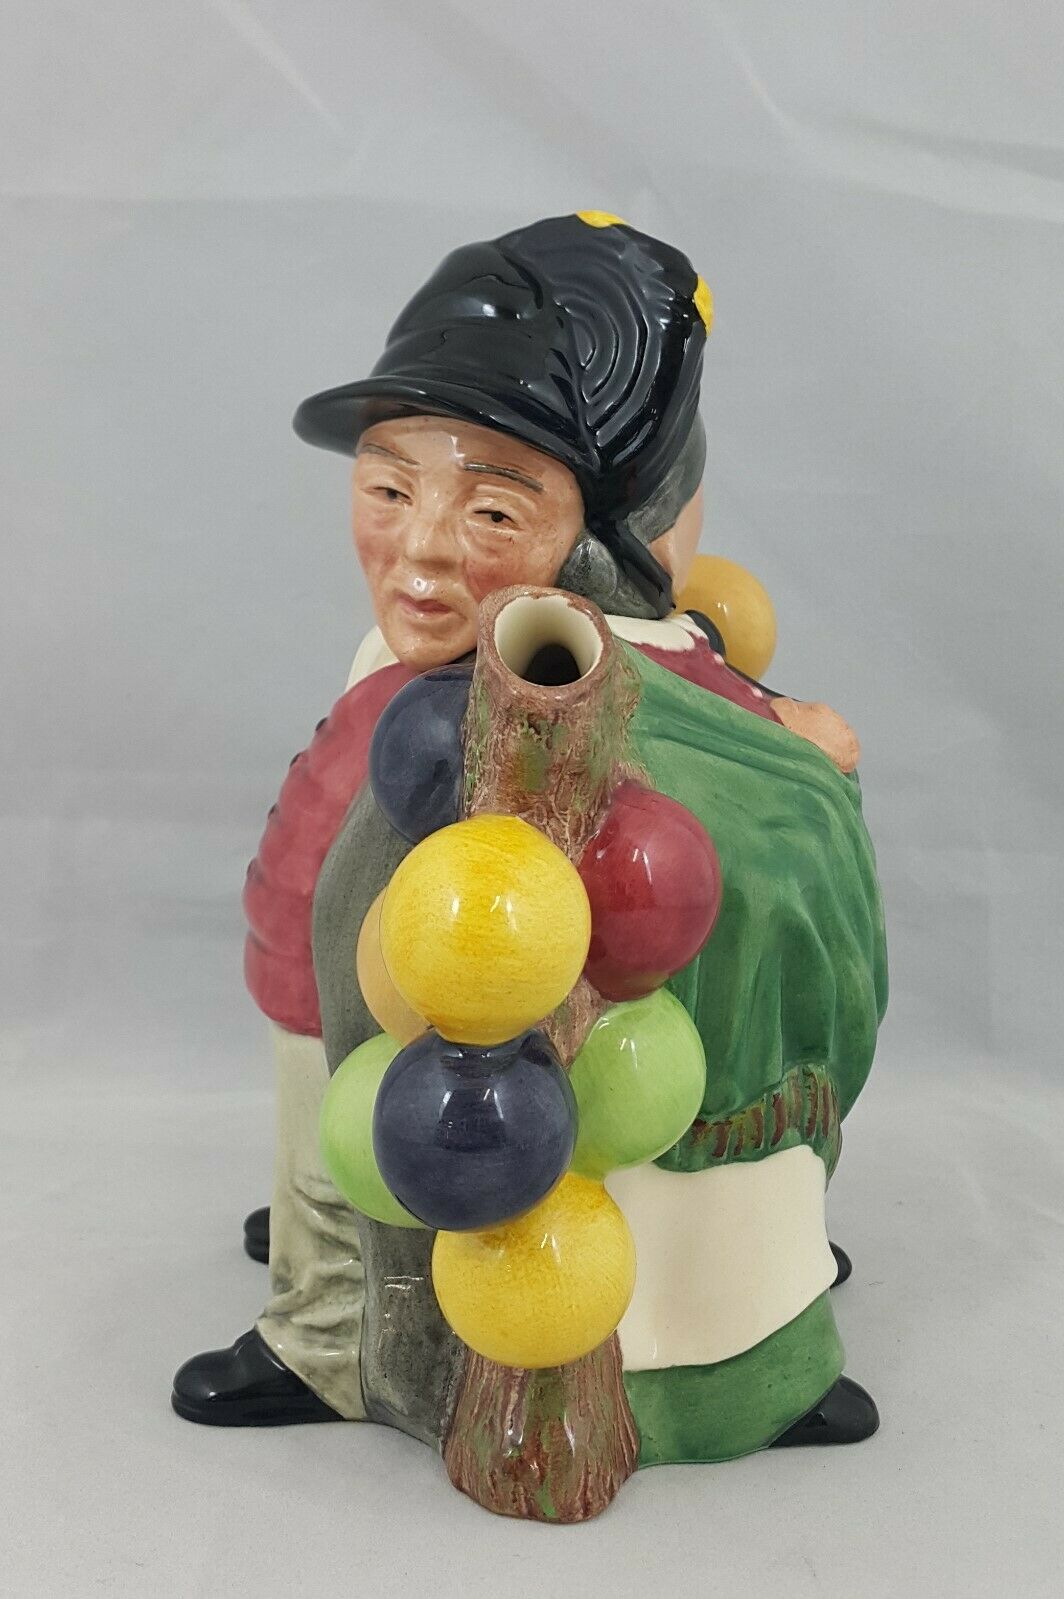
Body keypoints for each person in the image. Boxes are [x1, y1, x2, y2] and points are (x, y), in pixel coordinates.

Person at [172, 213, 886, 1461]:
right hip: (345, 1020)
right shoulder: (406, 661)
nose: (420, 548)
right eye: (388, 488)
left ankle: (728, 1345)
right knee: (331, 1124)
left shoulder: (606, 699)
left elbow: (751, 803)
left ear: (605, 534)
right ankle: (325, 1301)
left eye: (494, 511)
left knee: (612, 1201)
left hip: (538, 1100)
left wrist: (774, 756)